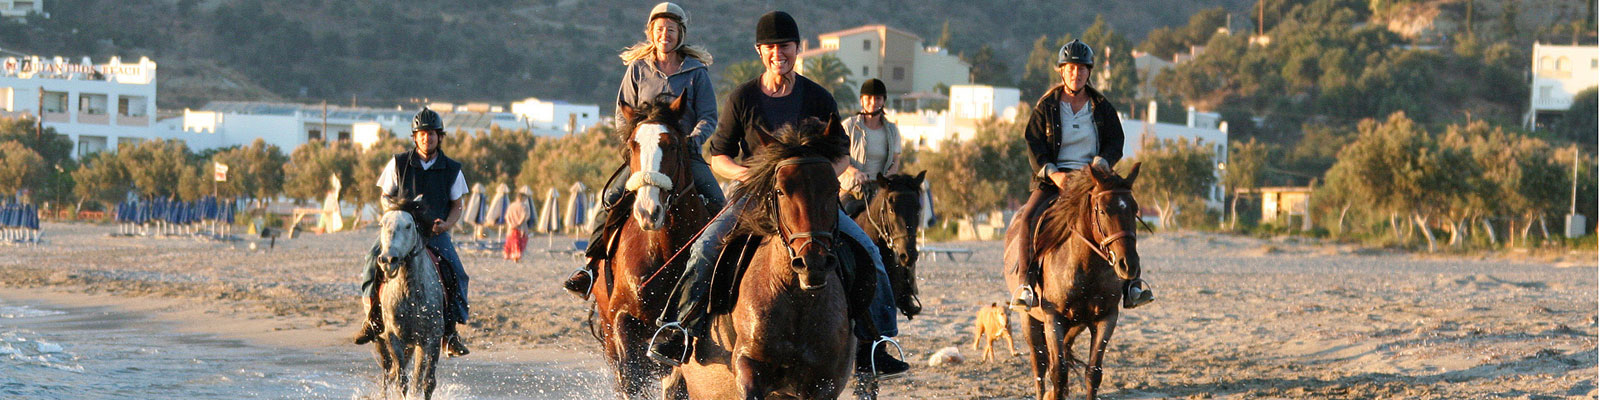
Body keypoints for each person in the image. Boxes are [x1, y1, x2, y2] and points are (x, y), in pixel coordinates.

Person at [647, 11, 910, 377]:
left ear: (797, 49)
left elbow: (841, 155)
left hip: (811, 203)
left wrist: (820, 180)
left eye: (784, 46)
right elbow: (719, 155)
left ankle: (876, 343)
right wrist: (751, 174)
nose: (777, 54)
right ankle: (679, 331)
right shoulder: (743, 97)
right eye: (770, 47)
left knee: (869, 253)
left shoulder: (819, 98)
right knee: (704, 247)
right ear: (760, 51)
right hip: (754, 198)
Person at [563, 1, 724, 299]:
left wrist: (693, 139)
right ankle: (589, 267)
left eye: (671, 30)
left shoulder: (697, 72)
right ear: (651, 32)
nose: (666, 35)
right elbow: (620, 113)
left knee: (717, 200)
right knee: (610, 198)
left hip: (683, 153)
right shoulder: (637, 69)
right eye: (660, 29)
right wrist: (633, 143)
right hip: (644, 155)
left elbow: (709, 116)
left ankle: (724, 271)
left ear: (681, 34)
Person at [1008, 39, 1152, 310]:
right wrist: (1053, 173)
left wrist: (1100, 163)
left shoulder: (1102, 106)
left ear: (1089, 72)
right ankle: (1026, 285)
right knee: (1028, 217)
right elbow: (1034, 144)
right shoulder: (1046, 107)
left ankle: (1132, 284)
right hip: (1055, 180)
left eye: (1082, 69)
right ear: (1061, 71)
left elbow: (1115, 141)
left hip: (1093, 179)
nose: (1076, 74)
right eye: (1071, 69)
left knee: (1120, 213)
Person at [352, 107, 471, 357]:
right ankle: (373, 319)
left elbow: (457, 206)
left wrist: (447, 225)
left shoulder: (451, 169)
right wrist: (395, 214)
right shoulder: (399, 163)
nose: (427, 138)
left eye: (431, 134)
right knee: (371, 261)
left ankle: (450, 332)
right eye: (422, 134)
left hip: (434, 232)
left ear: (440, 136)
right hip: (400, 231)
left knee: (457, 273)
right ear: (415, 137)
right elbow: (385, 195)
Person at [838, 78, 903, 217]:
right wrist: (855, 173)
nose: (873, 103)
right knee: (842, 218)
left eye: (878, 99)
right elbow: (839, 157)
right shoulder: (849, 126)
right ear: (862, 100)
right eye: (869, 98)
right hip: (852, 190)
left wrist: (887, 178)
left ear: (884, 101)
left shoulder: (892, 130)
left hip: (880, 190)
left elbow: (896, 160)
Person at [504, 186, 533, 262]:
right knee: (520, 242)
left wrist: (511, 223)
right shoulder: (524, 207)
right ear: (522, 198)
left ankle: (511, 256)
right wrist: (518, 223)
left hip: (511, 227)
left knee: (512, 242)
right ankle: (516, 258)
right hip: (521, 227)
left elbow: (507, 216)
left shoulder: (511, 206)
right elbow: (525, 216)